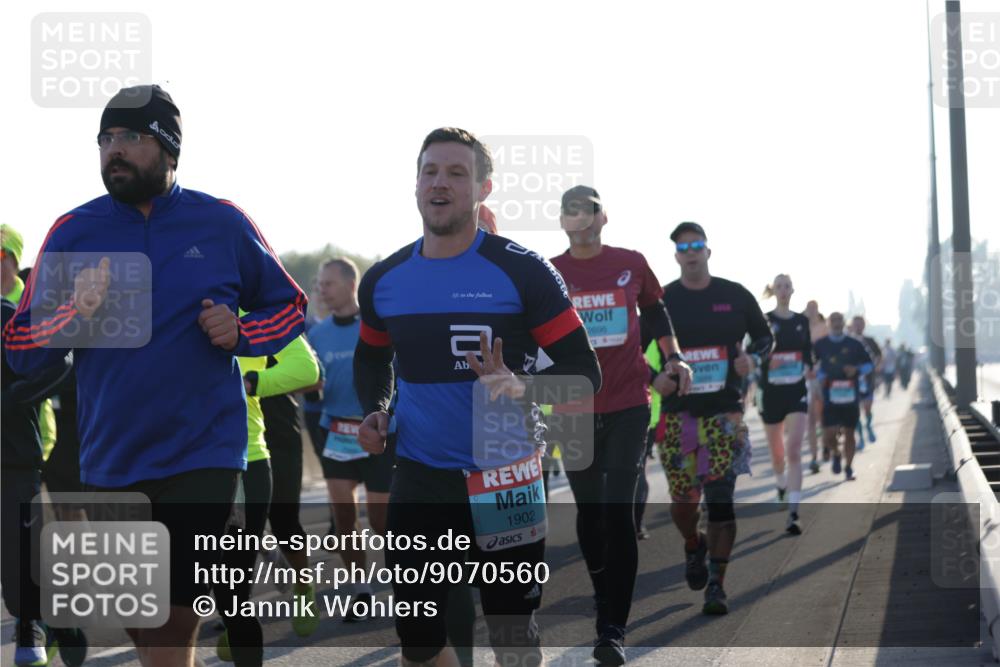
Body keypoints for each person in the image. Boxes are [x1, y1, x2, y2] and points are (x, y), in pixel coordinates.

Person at [3, 84, 306, 667]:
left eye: (132, 138)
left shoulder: (220, 223)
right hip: (112, 457)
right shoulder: (72, 233)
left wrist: (241, 334)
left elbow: (290, 306)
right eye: (106, 139)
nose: (114, 150)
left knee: (170, 618)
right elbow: (19, 347)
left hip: (205, 451)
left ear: (169, 150)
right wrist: (74, 315)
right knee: (145, 624)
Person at [354, 127, 601, 667]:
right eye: (430, 172)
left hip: (504, 477)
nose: (440, 183)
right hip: (420, 475)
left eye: (457, 173)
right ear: (416, 184)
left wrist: (522, 386)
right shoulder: (384, 280)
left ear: (484, 189)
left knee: (513, 643)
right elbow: (371, 358)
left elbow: (586, 374)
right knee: (418, 642)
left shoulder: (523, 270)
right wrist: (376, 409)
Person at [550, 185, 691, 664]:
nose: (579, 219)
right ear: (563, 222)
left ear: (602, 216)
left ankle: (613, 626)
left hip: (630, 402)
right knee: (589, 514)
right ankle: (602, 596)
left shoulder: (630, 262)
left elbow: (654, 310)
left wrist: (674, 360)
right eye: (570, 212)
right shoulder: (549, 272)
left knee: (616, 510)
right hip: (571, 408)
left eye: (586, 211)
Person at [654, 221, 773, 616]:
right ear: (676, 255)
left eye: (697, 244)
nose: (690, 252)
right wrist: (655, 378)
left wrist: (752, 358)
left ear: (708, 251)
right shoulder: (662, 300)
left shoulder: (734, 294)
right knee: (684, 504)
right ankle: (693, 542)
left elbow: (765, 336)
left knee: (722, 501)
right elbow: (632, 349)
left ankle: (717, 586)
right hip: (679, 416)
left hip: (725, 412)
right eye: (683, 247)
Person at [214, 331, 320, 666]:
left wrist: (252, 382)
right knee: (228, 545)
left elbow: (313, 378)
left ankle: (304, 589)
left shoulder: (266, 314)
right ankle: (236, 616)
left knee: (285, 520)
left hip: (277, 429)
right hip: (233, 437)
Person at [307, 256, 395, 621]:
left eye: (328, 283)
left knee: (380, 520)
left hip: (374, 431)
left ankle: (411, 580)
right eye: (320, 283)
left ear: (349, 285)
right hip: (338, 433)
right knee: (343, 516)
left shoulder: (376, 327)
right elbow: (312, 392)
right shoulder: (317, 334)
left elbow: (391, 373)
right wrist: (310, 390)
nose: (322, 290)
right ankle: (361, 589)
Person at [758, 275, 812, 535]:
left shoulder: (802, 322)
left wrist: (811, 368)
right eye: (778, 286)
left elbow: (809, 354)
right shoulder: (765, 321)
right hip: (771, 394)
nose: (782, 290)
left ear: (792, 290)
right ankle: (780, 485)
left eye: (786, 286)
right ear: (774, 290)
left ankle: (793, 512)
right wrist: (767, 362)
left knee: (793, 450)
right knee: (778, 453)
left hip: (796, 393)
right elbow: (754, 353)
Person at [814, 313, 874, 481]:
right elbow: (811, 365)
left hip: (850, 396)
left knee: (850, 433)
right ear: (828, 323)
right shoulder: (820, 344)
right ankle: (835, 452)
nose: (837, 323)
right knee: (828, 435)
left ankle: (849, 468)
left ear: (844, 323)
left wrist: (857, 370)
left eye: (840, 320)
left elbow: (870, 364)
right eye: (833, 320)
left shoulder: (855, 343)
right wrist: (821, 375)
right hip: (829, 396)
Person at [849, 315, 881, 449]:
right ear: (852, 325)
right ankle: (860, 438)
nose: (858, 326)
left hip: (868, 380)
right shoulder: (847, 341)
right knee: (855, 411)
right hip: (852, 381)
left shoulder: (870, 340)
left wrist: (873, 367)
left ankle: (868, 426)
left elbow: (879, 356)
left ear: (864, 325)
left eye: (860, 324)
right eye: (855, 324)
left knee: (867, 408)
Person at [803, 300, 827, 471]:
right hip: (806, 378)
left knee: (824, 415)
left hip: (824, 376)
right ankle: (813, 457)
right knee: (810, 418)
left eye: (814, 308)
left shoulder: (824, 328)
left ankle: (827, 444)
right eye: (808, 308)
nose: (811, 311)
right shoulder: (800, 328)